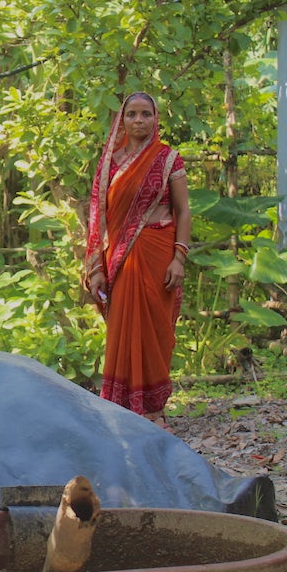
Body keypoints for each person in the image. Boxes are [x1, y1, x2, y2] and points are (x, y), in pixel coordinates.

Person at [84, 92, 191, 430]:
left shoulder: (168, 159)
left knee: (154, 332)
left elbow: (183, 211)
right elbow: (99, 218)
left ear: (155, 118)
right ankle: (120, 408)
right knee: (122, 330)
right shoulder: (110, 165)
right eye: (132, 114)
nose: (139, 120)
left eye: (146, 114)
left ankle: (154, 409)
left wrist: (179, 258)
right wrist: (97, 267)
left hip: (158, 257)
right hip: (119, 261)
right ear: (123, 120)